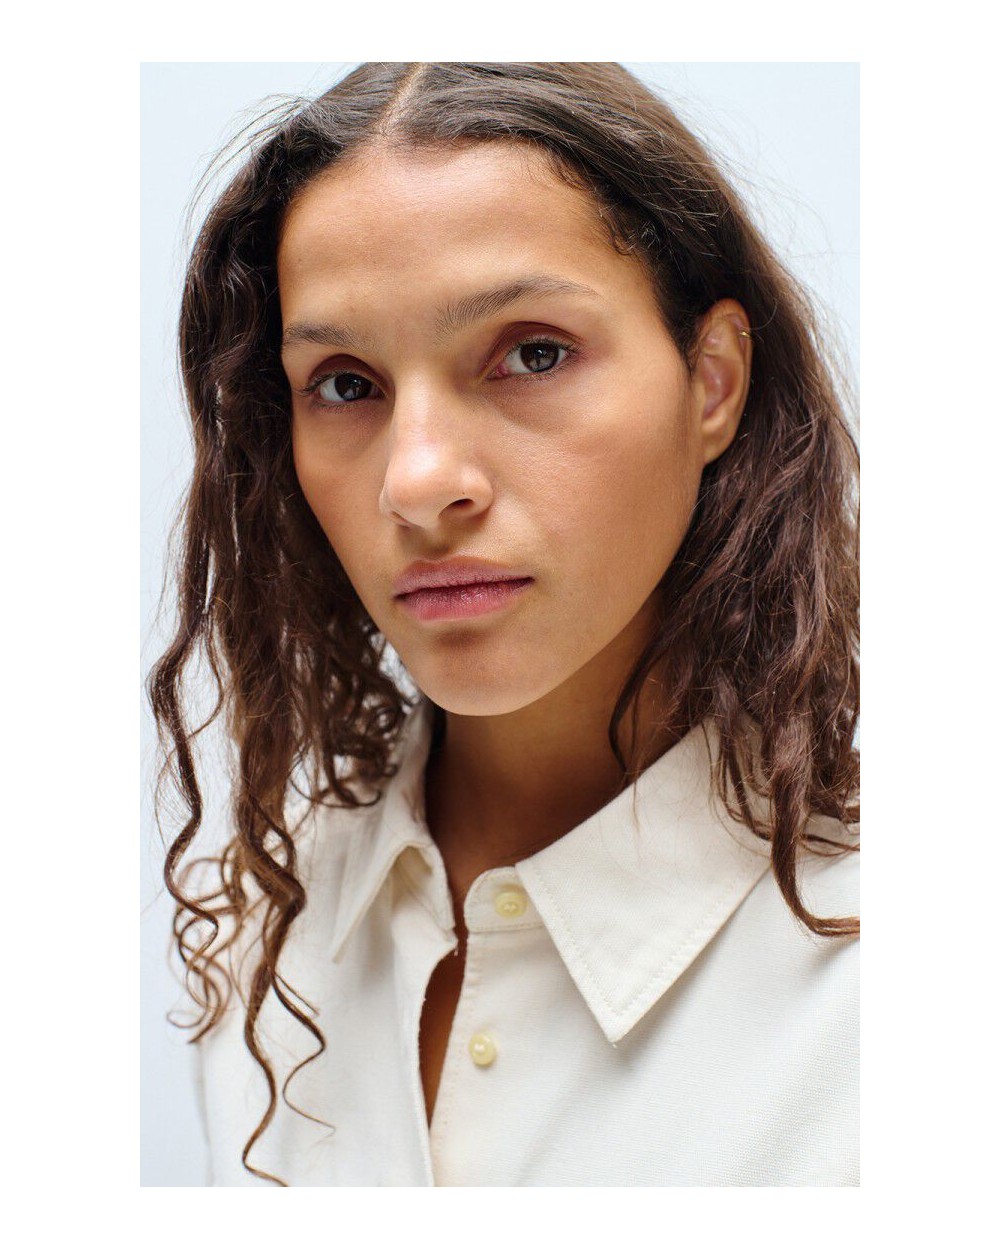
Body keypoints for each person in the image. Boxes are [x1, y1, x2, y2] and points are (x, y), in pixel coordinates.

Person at [148, 61, 859, 1187]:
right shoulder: (262, 926)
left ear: (713, 381)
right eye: (344, 384)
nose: (418, 481)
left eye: (532, 353)